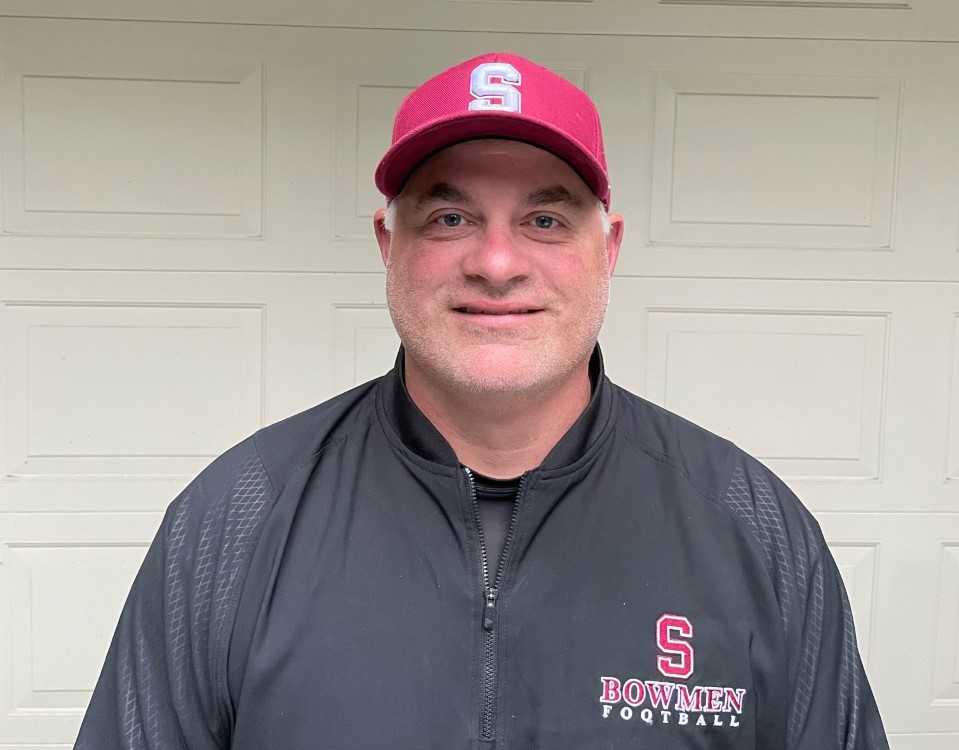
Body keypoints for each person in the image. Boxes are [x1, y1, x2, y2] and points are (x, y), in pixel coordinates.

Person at [75, 51, 889, 749]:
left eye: (545, 219)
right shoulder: (235, 520)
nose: (496, 263)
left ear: (607, 249)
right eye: (450, 216)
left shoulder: (752, 528)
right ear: (388, 244)